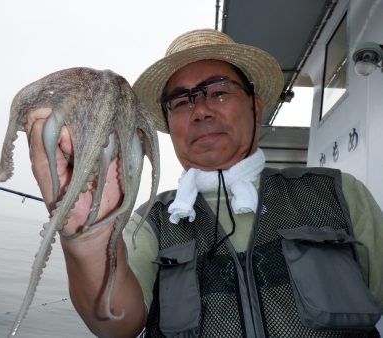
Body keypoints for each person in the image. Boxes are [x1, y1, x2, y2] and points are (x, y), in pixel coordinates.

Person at [26, 29, 383, 337]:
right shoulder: (152, 224)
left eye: (219, 91)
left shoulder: (338, 194)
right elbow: (114, 323)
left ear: (256, 107)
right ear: (168, 123)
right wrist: (91, 234)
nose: (200, 110)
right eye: (181, 102)